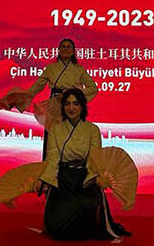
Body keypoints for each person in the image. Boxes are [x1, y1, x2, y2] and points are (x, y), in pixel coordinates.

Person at [36, 88, 128, 240]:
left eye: (75, 104)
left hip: (85, 178)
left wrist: (95, 178)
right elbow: (52, 158)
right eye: (67, 104)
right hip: (63, 179)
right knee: (56, 229)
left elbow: (94, 158)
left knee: (87, 204)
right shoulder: (56, 130)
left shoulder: (92, 129)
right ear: (63, 107)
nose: (71, 108)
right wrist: (44, 179)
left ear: (82, 106)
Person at [0, 38, 98, 158]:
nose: (66, 49)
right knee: (53, 138)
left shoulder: (79, 70)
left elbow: (93, 88)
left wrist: (74, 94)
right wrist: (19, 97)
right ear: (59, 50)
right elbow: (37, 87)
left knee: (70, 137)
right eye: (63, 46)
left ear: (73, 51)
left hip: (71, 106)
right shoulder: (51, 68)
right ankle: (50, 167)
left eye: (68, 47)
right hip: (54, 104)